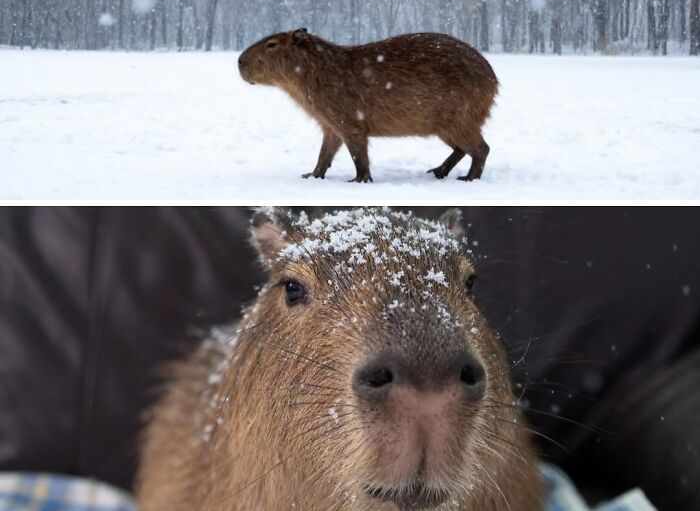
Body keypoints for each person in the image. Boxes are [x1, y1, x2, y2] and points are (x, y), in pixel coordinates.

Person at [0, 207, 698, 509]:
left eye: (465, 284)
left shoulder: (504, 445)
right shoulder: (204, 450)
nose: (422, 389)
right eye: (297, 287)